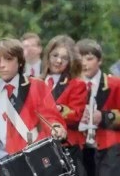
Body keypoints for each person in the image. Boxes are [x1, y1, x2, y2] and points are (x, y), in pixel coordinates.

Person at [0, 38, 67, 175]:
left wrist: (57, 128)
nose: (2, 65)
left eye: (8, 59)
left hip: (35, 161)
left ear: (19, 61)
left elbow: (50, 116)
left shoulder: (36, 86)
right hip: (4, 166)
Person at [41, 35, 87, 176]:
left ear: (71, 61)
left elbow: (76, 115)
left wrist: (58, 109)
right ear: (48, 56)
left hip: (67, 147)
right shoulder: (36, 82)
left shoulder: (77, 84)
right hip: (41, 147)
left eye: (64, 58)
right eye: (55, 55)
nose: (59, 61)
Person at [77, 39, 120, 176]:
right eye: (80, 59)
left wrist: (104, 116)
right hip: (80, 148)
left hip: (109, 147)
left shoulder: (114, 84)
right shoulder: (71, 86)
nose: (84, 63)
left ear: (99, 61)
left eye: (89, 59)